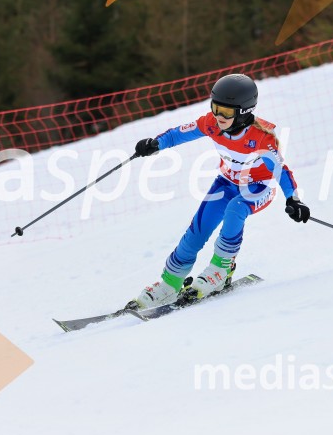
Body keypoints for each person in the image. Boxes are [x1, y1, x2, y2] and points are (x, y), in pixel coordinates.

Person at [129, 73, 310, 310]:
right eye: (215, 108)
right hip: (226, 183)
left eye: (226, 112)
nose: (219, 116)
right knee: (197, 232)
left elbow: (281, 171)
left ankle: (221, 269)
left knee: (236, 209)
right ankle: (170, 283)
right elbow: (178, 134)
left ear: (244, 111)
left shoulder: (261, 138)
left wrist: (294, 200)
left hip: (258, 187)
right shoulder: (212, 124)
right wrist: (155, 144)